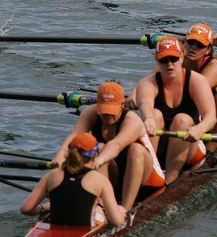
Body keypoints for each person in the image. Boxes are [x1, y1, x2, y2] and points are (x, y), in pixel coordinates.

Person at [52, 81, 165, 209]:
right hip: (116, 178)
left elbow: (116, 145)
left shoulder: (132, 120)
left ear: (122, 105)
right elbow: (74, 137)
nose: (107, 116)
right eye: (104, 111)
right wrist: (60, 156)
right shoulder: (90, 113)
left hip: (148, 184)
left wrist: (97, 161)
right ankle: (103, 207)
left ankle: (125, 211)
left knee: (135, 150)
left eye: (112, 111)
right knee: (98, 147)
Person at [132, 36, 217, 183]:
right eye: (164, 60)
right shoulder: (147, 83)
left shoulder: (196, 81)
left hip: (191, 146)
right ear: (156, 61)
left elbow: (211, 117)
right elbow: (145, 102)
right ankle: (150, 175)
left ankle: (170, 181)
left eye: (174, 59)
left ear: (182, 58)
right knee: (155, 114)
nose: (169, 64)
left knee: (182, 120)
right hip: (162, 143)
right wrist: (148, 118)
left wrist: (200, 129)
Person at [21, 133, 126, 227]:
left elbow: (25, 209)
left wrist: (44, 208)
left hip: (56, 231)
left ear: (69, 152)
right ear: (95, 155)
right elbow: (117, 222)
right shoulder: (100, 180)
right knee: (104, 210)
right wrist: (121, 212)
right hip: (85, 233)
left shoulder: (52, 175)